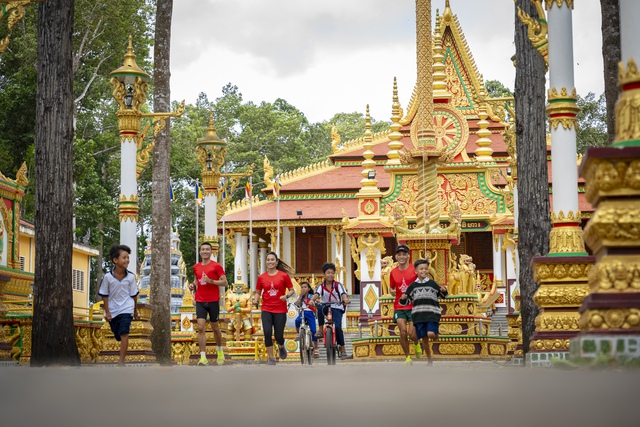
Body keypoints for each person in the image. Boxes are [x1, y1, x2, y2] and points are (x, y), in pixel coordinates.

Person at [400, 258, 448, 366]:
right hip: (419, 315)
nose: (424, 271)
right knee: (424, 339)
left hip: (432, 313)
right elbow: (406, 301)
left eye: (426, 269)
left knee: (430, 334)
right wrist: (403, 298)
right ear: (416, 271)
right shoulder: (412, 286)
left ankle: (435, 335)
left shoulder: (432, 283)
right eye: (421, 269)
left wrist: (444, 291)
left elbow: (443, 295)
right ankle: (429, 359)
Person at [98, 244, 140, 367]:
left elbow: (134, 295)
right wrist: (108, 312)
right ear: (115, 260)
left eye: (128, 257)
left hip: (127, 308)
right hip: (113, 309)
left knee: (124, 333)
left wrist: (135, 311)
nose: (127, 260)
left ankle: (121, 361)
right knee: (118, 335)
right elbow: (104, 295)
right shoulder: (107, 277)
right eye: (124, 257)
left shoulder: (131, 277)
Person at [189, 242, 228, 366]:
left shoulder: (216, 266)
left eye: (207, 249)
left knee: (215, 328)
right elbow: (197, 280)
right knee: (201, 327)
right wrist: (193, 285)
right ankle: (203, 357)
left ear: (211, 252)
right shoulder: (196, 267)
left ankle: (220, 350)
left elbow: (225, 282)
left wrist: (210, 281)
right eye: (203, 249)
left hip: (213, 300)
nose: (205, 251)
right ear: (200, 252)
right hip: (200, 300)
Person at [253, 251, 294, 365]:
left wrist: (285, 296)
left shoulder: (283, 276)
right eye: (268, 260)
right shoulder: (261, 277)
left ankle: (281, 346)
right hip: (266, 308)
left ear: (276, 262)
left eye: (272, 260)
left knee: (278, 335)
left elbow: (291, 290)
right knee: (267, 332)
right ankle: (271, 358)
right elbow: (258, 292)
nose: (270, 262)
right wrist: (256, 299)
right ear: (265, 262)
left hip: (280, 309)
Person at [389, 244, 422, 365]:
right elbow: (391, 288)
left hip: (413, 306)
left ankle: (417, 344)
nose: (402, 257)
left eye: (404, 254)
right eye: (399, 255)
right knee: (403, 331)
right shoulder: (393, 272)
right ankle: (408, 357)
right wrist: (392, 291)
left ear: (408, 256)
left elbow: (422, 281)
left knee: (411, 334)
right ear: (396, 257)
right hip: (399, 306)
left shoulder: (414, 269)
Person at [311, 262, 350, 360]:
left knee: (337, 327)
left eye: (332, 273)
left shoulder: (338, 285)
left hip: (337, 307)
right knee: (319, 308)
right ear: (324, 274)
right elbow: (316, 294)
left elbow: (343, 294)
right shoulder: (321, 286)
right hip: (325, 306)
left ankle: (342, 348)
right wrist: (312, 300)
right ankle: (320, 330)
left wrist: (345, 299)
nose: (330, 275)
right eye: (328, 273)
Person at [294, 281, 319, 358]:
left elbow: (316, 303)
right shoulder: (300, 297)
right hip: (302, 312)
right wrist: (300, 296)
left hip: (310, 313)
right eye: (302, 287)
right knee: (297, 321)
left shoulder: (311, 296)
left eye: (305, 287)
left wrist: (313, 303)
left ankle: (316, 347)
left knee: (314, 331)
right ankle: (298, 333)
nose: (303, 288)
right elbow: (297, 304)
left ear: (308, 289)